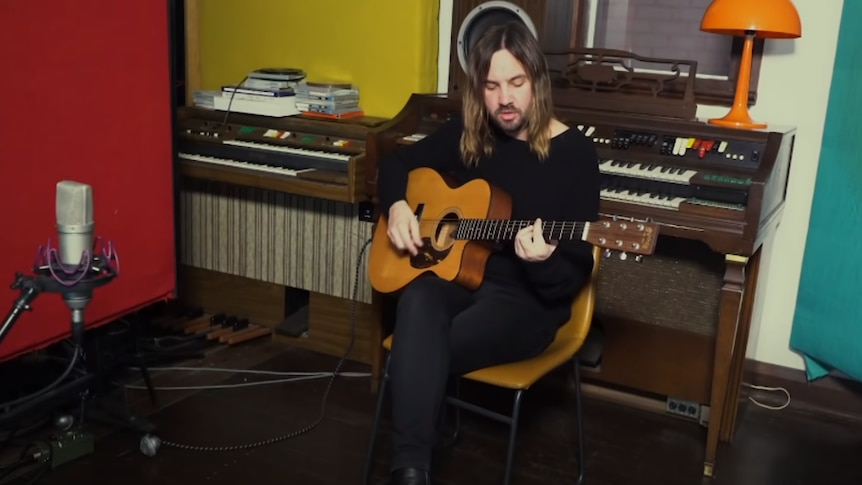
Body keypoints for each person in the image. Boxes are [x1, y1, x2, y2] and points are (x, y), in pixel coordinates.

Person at [372, 20, 600, 485]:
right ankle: (411, 473)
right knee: (418, 300)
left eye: (516, 83)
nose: (505, 99)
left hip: (528, 303)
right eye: (491, 86)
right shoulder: (471, 133)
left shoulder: (576, 154)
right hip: (463, 280)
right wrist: (397, 206)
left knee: (418, 350)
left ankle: (411, 461)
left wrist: (543, 261)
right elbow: (397, 164)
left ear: (537, 80)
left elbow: (571, 277)